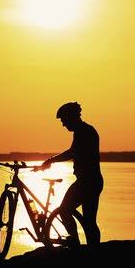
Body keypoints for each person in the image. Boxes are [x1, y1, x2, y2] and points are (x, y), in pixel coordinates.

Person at [41, 102, 104, 247]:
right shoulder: (83, 130)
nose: (63, 124)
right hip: (91, 181)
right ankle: (92, 248)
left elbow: (72, 152)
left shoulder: (85, 131)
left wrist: (52, 160)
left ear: (71, 117)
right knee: (89, 220)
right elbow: (74, 151)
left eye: (64, 120)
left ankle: (75, 242)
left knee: (64, 210)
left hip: (87, 182)